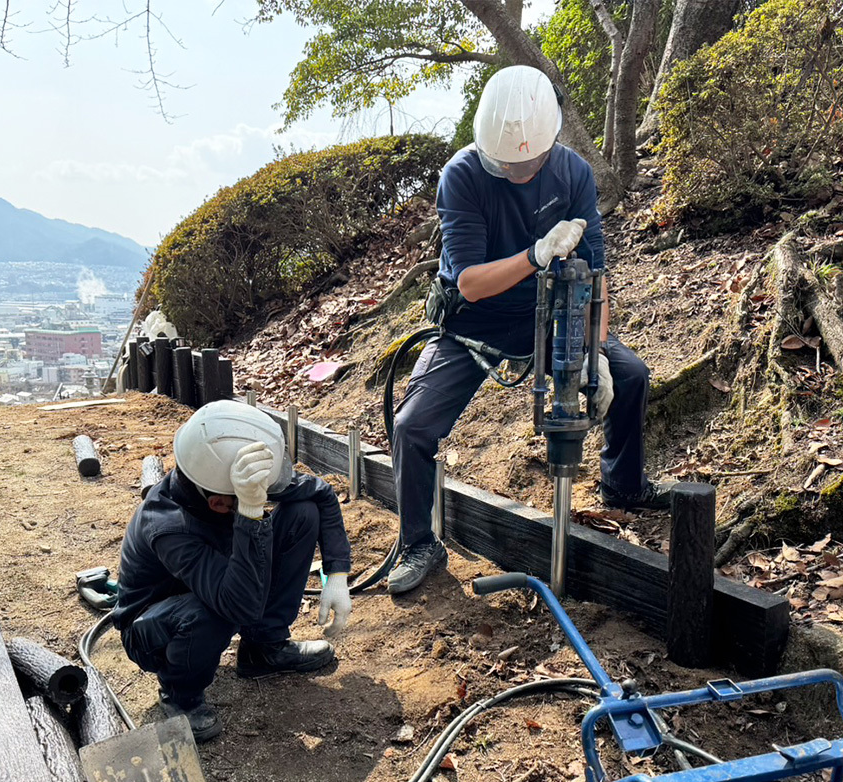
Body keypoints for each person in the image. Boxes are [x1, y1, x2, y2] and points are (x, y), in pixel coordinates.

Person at [387, 65, 671, 596]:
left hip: (551, 315)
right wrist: (535, 254)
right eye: (505, 164)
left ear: (551, 141)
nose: (518, 172)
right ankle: (418, 542)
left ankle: (623, 487)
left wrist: (595, 352)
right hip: (475, 326)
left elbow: (596, 272)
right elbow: (469, 282)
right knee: (412, 426)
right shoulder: (463, 176)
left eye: (529, 163)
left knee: (630, 376)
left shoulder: (572, 173)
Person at [112, 401, 353, 742]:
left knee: (302, 513)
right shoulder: (168, 528)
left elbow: (321, 493)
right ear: (220, 503)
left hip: (218, 588)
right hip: (153, 628)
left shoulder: (226, 474)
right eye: (245, 499)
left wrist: (337, 573)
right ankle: (180, 694)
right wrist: (251, 512)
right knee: (211, 612)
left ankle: (264, 647)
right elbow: (237, 606)